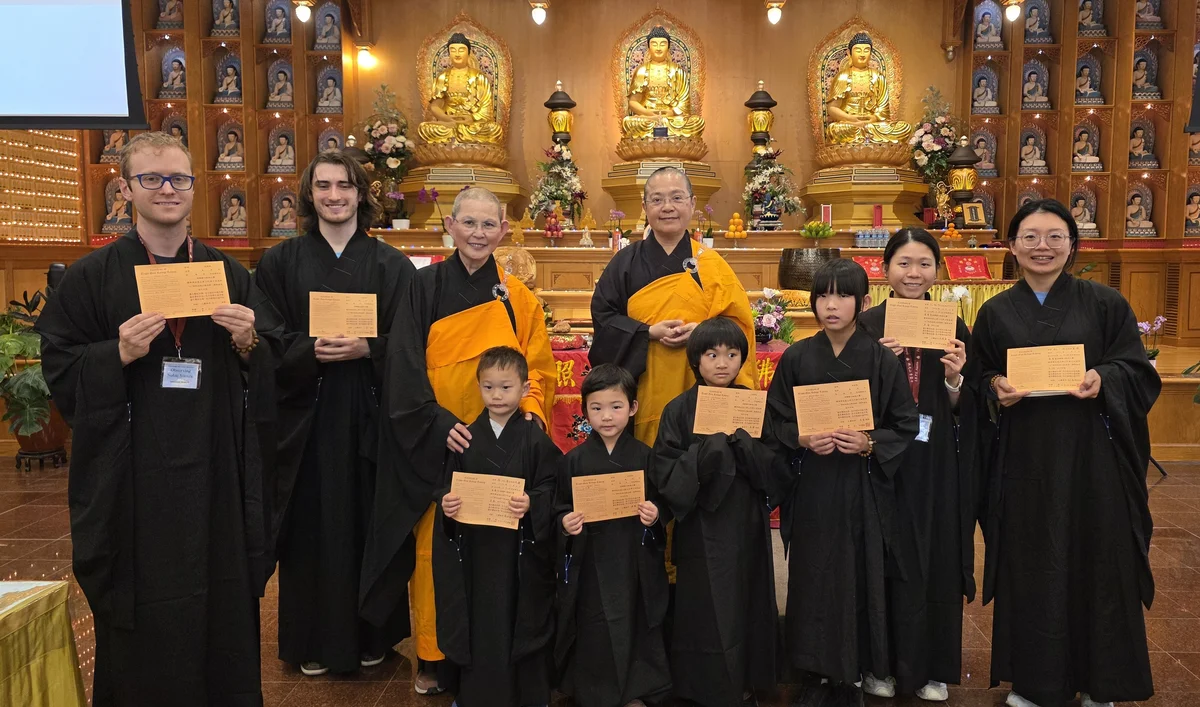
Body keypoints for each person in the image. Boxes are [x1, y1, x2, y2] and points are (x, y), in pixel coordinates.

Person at [35, 131, 284, 706]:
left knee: (222, 603)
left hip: (217, 472)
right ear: (125, 189)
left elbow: (273, 356)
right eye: (151, 178)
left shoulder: (227, 272)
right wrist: (115, 354)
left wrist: (249, 343)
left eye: (179, 179)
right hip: (133, 477)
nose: (167, 189)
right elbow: (59, 364)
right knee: (144, 610)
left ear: (195, 187)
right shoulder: (92, 276)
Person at [360, 186, 555, 696]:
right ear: (450, 226)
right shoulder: (423, 286)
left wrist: (530, 416)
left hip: (503, 443)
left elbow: (538, 367)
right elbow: (403, 362)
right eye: (469, 223)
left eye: (489, 225)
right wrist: (437, 422)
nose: (478, 234)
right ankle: (435, 655)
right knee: (438, 548)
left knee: (499, 549)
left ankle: (498, 650)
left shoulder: (517, 297)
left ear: (504, 231)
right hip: (443, 442)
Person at [969, 198, 1159, 707]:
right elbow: (978, 374)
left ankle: (1103, 683)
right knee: (1032, 563)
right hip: (1025, 458)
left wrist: (1104, 376)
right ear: (1011, 247)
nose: (1043, 246)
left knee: (1101, 561)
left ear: (1072, 244)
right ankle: (1035, 683)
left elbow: (1136, 370)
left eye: (1055, 236)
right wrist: (995, 387)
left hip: (1092, 457)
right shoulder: (994, 312)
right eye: (1030, 237)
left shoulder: (1105, 303)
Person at [254, 150, 415, 677]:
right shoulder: (280, 262)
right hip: (306, 417)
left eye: (345, 185)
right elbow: (266, 337)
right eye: (323, 186)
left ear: (361, 194)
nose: (334, 196)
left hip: (369, 413)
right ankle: (311, 639)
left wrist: (370, 348)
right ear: (309, 194)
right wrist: (308, 350)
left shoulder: (391, 265)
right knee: (310, 528)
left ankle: (372, 635)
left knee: (368, 521)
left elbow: (410, 343)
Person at [763, 259, 919, 707]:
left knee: (859, 571)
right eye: (823, 296)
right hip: (813, 483)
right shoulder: (797, 357)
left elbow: (905, 424)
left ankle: (856, 669)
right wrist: (802, 438)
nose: (831, 305)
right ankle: (814, 670)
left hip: (862, 485)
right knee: (812, 572)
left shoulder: (880, 359)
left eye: (843, 295)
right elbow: (774, 420)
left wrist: (868, 441)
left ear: (863, 302)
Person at [855, 229, 980, 702]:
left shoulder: (952, 324)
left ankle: (931, 667)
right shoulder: (867, 325)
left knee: (935, 553)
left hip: (933, 460)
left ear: (938, 270)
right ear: (884, 269)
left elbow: (967, 406)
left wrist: (954, 378)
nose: (913, 273)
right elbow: (848, 400)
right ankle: (878, 663)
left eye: (924, 263)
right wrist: (877, 368)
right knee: (881, 555)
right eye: (904, 263)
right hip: (880, 457)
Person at [652, 317, 783, 707]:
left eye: (731, 354)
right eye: (711, 355)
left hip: (746, 522)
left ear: (743, 358)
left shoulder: (753, 405)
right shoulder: (679, 409)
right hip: (701, 526)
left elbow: (776, 468)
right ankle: (702, 687)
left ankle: (747, 681)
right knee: (704, 607)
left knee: (748, 600)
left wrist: (745, 444)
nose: (722, 363)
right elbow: (664, 470)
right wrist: (706, 452)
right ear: (696, 360)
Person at [590, 166, 756, 448]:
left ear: (692, 204)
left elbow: (739, 325)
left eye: (677, 198)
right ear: (645, 207)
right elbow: (604, 318)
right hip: (644, 383)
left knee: (702, 452)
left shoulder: (712, 265)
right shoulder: (624, 263)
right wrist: (647, 332)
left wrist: (703, 333)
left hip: (702, 384)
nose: (667, 207)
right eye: (657, 200)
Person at [434, 346, 560, 707]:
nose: (497, 395)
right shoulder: (465, 438)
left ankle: (528, 696)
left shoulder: (535, 439)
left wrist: (533, 501)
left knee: (521, 617)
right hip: (476, 550)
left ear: (524, 388)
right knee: (479, 621)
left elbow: (552, 486)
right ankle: (476, 696)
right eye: (488, 387)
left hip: (520, 553)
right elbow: (446, 486)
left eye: (506, 387)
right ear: (478, 387)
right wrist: (447, 503)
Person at [554, 363, 671, 707]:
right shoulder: (573, 461)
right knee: (594, 624)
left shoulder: (645, 456)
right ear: (585, 410)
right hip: (590, 559)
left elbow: (662, 503)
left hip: (634, 559)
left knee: (635, 621)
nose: (606, 416)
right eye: (597, 408)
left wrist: (655, 514)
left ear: (633, 408)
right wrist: (565, 522)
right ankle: (594, 693)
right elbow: (558, 506)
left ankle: (635, 692)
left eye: (616, 406)